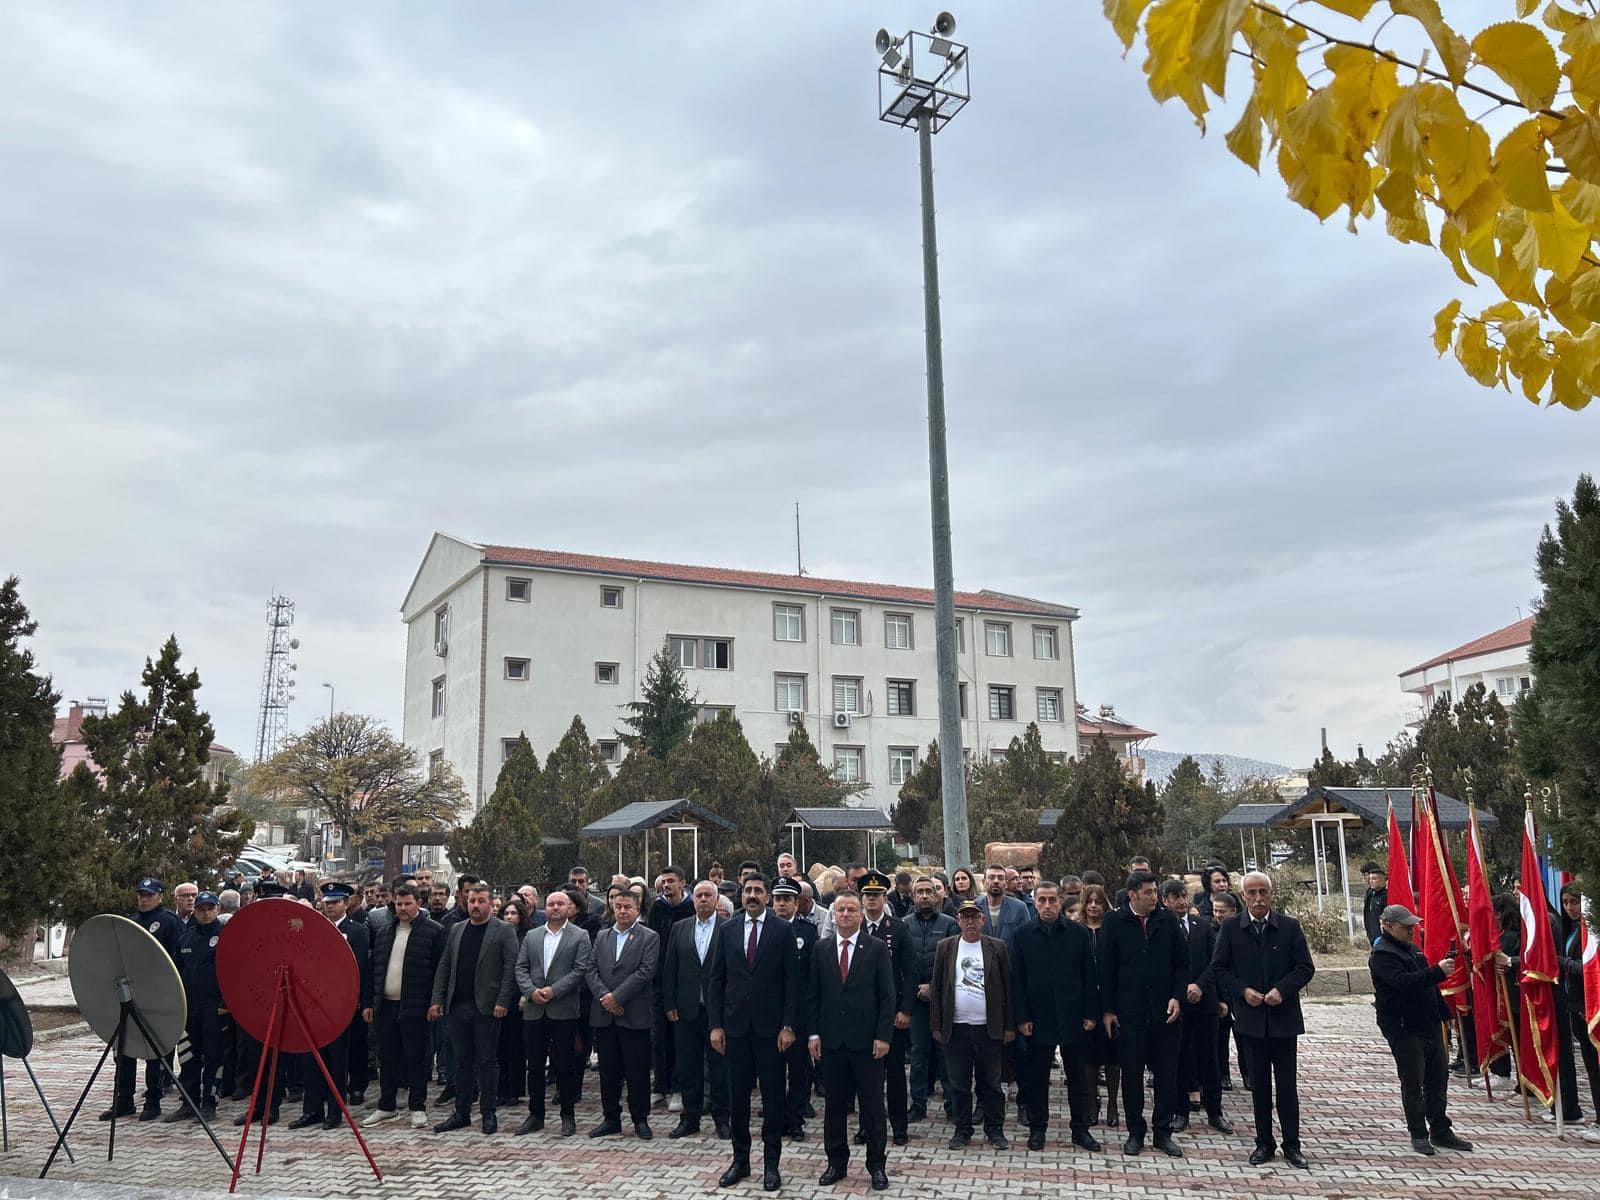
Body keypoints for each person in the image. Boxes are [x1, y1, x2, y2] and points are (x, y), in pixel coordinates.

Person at [1213, 871, 1315, 1169]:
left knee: (1286, 1087)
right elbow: (1219, 969)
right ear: (1243, 896)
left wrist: (1281, 991)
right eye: (1252, 893)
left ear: (1271, 894)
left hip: (1283, 1019)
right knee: (1259, 1088)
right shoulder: (1231, 928)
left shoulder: (1289, 926)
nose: (1258, 898)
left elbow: (1305, 967)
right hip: (1251, 1020)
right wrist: (1243, 991)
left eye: (1263, 892)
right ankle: (1264, 1143)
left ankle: (1292, 1145)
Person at [709, 875, 801, 1193]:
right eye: (747, 891)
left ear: (767, 896)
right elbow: (717, 980)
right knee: (738, 1099)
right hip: (735, 1029)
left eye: (757, 891)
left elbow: (793, 982)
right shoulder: (728, 929)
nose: (751, 896)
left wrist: (788, 1025)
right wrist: (716, 1025)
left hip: (771, 1031)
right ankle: (740, 1160)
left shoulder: (782, 930)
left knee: (773, 1099)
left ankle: (771, 1165)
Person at [1370, 903, 1474, 1155]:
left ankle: (1441, 1129)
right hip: (1404, 1028)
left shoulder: (1414, 951)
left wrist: (1444, 1013)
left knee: (1437, 1080)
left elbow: (1429, 987)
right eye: (1406, 927)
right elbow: (1404, 983)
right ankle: (1418, 1132)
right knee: (1413, 1082)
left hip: (1428, 1024)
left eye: (1412, 926)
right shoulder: (1383, 955)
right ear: (1388, 926)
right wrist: (1437, 972)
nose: (1412, 930)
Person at [808, 890, 895, 1191]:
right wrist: (814, 1033)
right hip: (831, 1043)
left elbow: (887, 996)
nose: (845, 915)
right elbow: (813, 995)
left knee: (872, 1107)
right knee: (834, 1107)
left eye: (851, 910)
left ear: (860, 915)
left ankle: (876, 1166)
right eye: (840, 910)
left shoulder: (876, 948)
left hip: (867, 1043)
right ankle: (836, 1162)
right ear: (833, 915)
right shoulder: (821, 949)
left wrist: (883, 1036)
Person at [1100, 869, 1188, 1158]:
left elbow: (1182, 964)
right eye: (1149, 892)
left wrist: (1177, 996)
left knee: (1166, 1075)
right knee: (1132, 1075)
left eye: (1156, 892)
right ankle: (1135, 1132)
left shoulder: (1168, 921)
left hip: (1165, 1013)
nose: (1155, 897)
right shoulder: (1114, 922)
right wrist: (1109, 1009)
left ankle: (1163, 1133)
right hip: (1130, 1013)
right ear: (1132, 895)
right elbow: (1106, 969)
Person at [1011, 879, 1100, 1152]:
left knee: (1078, 1077)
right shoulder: (1023, 935)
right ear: (1034, 902)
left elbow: (1089, 976)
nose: (1047, 905)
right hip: (1039, 1017)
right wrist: (1022, 1017)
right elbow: (1018, 981)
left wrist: (1090, 1012)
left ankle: (1080, 1129)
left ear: (1060, 901)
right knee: (1037, 1078)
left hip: (1073, 1015)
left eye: (1052, 900)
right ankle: (1038, 1129)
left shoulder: (1077, 933)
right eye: (1042, 900)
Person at [429, 882, 517, 1134]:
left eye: (480, 901)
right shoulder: (457, 929)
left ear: (490, 903)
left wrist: (503, 1001)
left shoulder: (503, 931)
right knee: (461, 1061)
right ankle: (461, 1112)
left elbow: (510, 969)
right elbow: (445, 965)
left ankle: (488, 1114)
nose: (475, 905)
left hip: (487, 1008)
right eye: (471, 901)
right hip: (458, 1006)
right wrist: (437, 999)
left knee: (488, 1061)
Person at [931, 898, 1014, 1150]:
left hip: (988, 1027)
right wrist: (936, 1024)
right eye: (965, 917)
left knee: (991, 1082)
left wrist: (1009, 1026)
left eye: (974, 917)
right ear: (958, 921)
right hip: (956, 1028)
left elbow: (1008, 989)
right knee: (958, 1083)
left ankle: (994, 1129)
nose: (970, 922)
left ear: (982, 920)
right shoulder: (945, 947)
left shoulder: (997, 947)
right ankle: (962, 1129)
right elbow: (937, 988)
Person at [363, 882, 445, 1130]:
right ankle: (386, 1106)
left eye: (408, 903)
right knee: (387, 1057)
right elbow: (373, 969)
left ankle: (417, 1107)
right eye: (398, 904)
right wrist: (369, 1002)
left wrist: (435, 1002)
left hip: (417, 1006)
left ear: (419, 903)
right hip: (385, 1005)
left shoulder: (434, 931)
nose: (403, 908)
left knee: (416, 1058)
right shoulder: (385, 931)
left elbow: (440, 971)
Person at [289, 882, 372, 1131]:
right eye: (327, 903)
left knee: (337, 1060)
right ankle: (312, 1109)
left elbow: (360, 969)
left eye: (336, 902)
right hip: (313, 1003)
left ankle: (335, 1111)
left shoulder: (357, 931)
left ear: (346, 903)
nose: (331, 907)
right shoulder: (315, 929)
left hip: (339, 1004)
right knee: (311, 1058)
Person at [510, 888, 592, 1137]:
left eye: (561, 904)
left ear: (569, 908)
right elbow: (520, 967)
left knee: (565, 1066)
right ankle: (536, 1116)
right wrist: (531, 991)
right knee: (534, 1066)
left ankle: (568, 1115)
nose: (555, 908)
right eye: (552, 904)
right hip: (534, 1010)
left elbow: (580, 970)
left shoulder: (580, 936)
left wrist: (553, 991)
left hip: (563, 1009)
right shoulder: (532, 936)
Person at [103, 875, 185, 1121]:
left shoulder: (169, 922)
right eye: (141, 895)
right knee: (125, 1049)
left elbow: (177, 960)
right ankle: (124, 1100)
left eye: (149, 895)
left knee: (154, 1049)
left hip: (158, 995)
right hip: (131, 995)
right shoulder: (131, 922)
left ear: (160, 897)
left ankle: (153, 1100)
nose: (144, 899)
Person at [585, 887, 658, 1140]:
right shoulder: (602, 936)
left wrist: (617, 997)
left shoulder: (649, 937)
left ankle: (640, 1120)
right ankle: (611, 1119)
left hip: (633, 1014)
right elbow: (591, 969)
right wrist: (606, 998)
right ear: (612, 908)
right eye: (618, 906)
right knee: (608, 1070)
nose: (623, 911)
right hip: (605, 1015)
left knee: (637, 1071)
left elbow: (645, 972)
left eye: (628, 906)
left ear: (637, 909)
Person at [1163, 880, 1232, 1134]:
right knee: (1180, 1058)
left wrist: (1201, 986)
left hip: (1205, 1002)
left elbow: (1216, 961)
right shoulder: (1160, 928)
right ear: (1165, 900)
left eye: (1184, 896)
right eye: (1175, 897)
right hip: (1177, 1005)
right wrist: (1182, 990)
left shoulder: (1202, 925)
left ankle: (1215, 1112)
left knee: (1209, 1059)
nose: (1182, 901)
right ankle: (1181, 1111)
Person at [663, 879, 730, 1140]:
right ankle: (689, 1118)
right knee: (688, 1066)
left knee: (719, 1067)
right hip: (686, 1009)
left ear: (716, 900)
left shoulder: (727, 928)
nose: (703, 899)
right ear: (693, 900)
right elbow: (670, 968)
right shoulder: (680, 928)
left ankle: (722, 1119)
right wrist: (669, 1003)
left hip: (717, 1011)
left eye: (708, 895)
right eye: (699, 895)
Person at [857, 871, 914, 1146]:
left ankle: (899, 1126)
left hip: (891, 1016)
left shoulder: (898, 928)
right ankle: (866, 1126)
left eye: (876, 895)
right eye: (867, 895)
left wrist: (906, 1010)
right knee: (865, 1077)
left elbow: (910, 972)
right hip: (861, 1016)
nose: (871, 900)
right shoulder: (853, 928)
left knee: (894, 1075)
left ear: (884, 898)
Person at [166, 892, 228, 1122]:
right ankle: (188, 1103)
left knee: (213, 1058)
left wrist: (226, 1005)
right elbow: (176, 973)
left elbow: (234, 974)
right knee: (188, 1057)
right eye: (201, 909)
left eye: (210, 908)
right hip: (189, 1009)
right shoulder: (186, 938)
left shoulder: (226, 937)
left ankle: (209, 1103)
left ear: (218, 909)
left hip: (215, 1009)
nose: (205, 912)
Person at [903, 876, 957, 1125]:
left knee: (945, 1053)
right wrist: (915, 989)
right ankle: (918, 1104)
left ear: (938, 896)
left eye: (929, 891)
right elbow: (901, 965)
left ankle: (952, 1105)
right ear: (913, 897)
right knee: (918, 1053)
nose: (925, 896)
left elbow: (955, 963)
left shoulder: (949, 925)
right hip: (915, 1001)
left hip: (943, 1001)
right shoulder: (903, 925)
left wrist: (934, 988)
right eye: (920, 892)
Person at [772, 878, 818, 1140]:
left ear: (796, 903)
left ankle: (796, 1118)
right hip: (770, 1012)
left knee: (800, 1071)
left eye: (786, 899)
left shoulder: (808, 931)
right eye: (777, 899)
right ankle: (777, 1117)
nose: (781, 904)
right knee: (773, 1070)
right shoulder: (764, 928)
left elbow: (812, 978)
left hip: (799, 1014)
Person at [648, 864, 695, 1115]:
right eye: (663, 881)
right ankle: (660, 1086)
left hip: (683, 982)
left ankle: (678, 1087)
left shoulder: (690, 908)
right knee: (659, 1038)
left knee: (679, 1038)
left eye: (670, 881)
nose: (666, 886)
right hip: (658, 982)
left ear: (682, 883)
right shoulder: (657, 908)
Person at [1075, 883, 1120, 1128]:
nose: (1094, 906)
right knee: (1089, 1059)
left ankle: (1113, 1103)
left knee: (1113, 1058)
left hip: (1112, 1001)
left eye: (1098, 901)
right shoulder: (1076, 930)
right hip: (1086, 1001)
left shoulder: (1113, 929)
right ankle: (1092, 1102)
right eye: (1090, 901)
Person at [495, 897, 532, 1106]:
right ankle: (501, 1089)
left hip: (519, 996)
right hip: (499, 995)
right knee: (499, 1045)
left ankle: (515, 1090)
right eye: (506, 913)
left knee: (516, 1045)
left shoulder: (527, 936)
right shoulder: (498, 935)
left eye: (513, 913)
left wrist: (525, 994)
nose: (509, 917)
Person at [1210, 891, 1248, 1092]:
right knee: (1221, 1038)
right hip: (1220, 992)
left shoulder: (1243, 930)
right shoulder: (1210, 930)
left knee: (1243, 1037)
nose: (1218, 915)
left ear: (1233, 911)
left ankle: (1247, 1073)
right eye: (1215, 911)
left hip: (1240, 991)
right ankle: (1223, 1074)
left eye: (1222, 911)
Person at [980, 865, 1030, 943]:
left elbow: (1027, 939)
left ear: (1006, 883)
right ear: (984, 882)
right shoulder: (975, 906)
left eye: (1000, 878)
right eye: (991, 877)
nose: (996, 881)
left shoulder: (1019, 908)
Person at [1362, 864, 1389, 946]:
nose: (1371, 881)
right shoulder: (1370, 894)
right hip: (1372, 933)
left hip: (1382, 935)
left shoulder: (1386, 896)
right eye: (1370, 879)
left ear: (1382, 880)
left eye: (1374, 879)